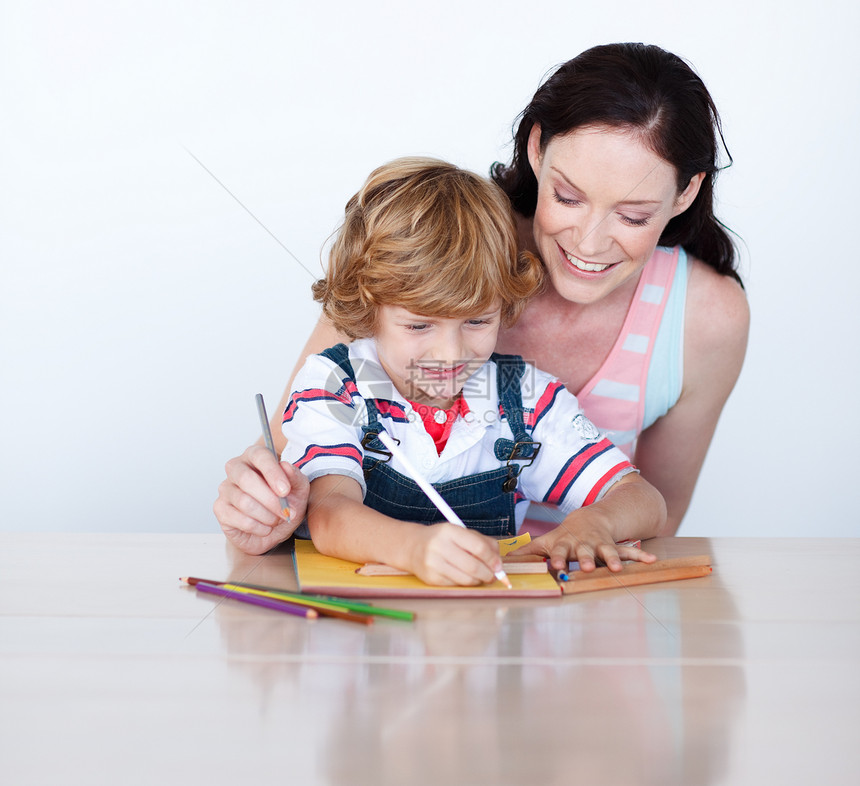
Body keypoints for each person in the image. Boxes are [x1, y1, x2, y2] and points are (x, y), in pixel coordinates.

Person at [214, 42, 748, 559]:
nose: (588, 243)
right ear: (537, 147)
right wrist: (264, 505)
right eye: (567, 196)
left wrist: (595, 524)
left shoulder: (534, 397)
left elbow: (655, 512)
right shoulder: (431, 244)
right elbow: (306, 491)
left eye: (632, 216)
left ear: (685, 192)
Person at [280, 157, 665, 585]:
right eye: (419, 325)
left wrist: (596, 524)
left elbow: (644, 500)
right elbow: (329, 514)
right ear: (370, 310)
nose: (450, 353)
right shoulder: (334, 386)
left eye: (477, 321)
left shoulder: (527, 402)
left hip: (490, 635)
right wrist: (414, 549)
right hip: (365, 631)